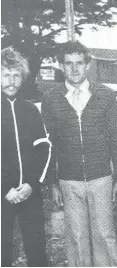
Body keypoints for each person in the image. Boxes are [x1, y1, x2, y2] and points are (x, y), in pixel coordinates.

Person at [41, 41, 117, 266]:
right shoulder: (51, 98)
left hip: (101, 178)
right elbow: (49, 145)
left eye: (79, 63)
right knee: (76, 238)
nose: (74, 69)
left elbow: (115, 138)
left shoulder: (105, 95)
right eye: (69, 64)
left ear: (88, 65)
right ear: (61, 66)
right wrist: (53, 183)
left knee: (104, 235)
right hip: (69, 180)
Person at [1, 47, 51, 266]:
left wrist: (32, 184)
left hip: (29, 192)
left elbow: (44, 149)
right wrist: (5, 189)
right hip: (3, 193)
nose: (11, 81)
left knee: (37, 248)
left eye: (16, 75)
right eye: (6, 75)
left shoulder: (30, 110)